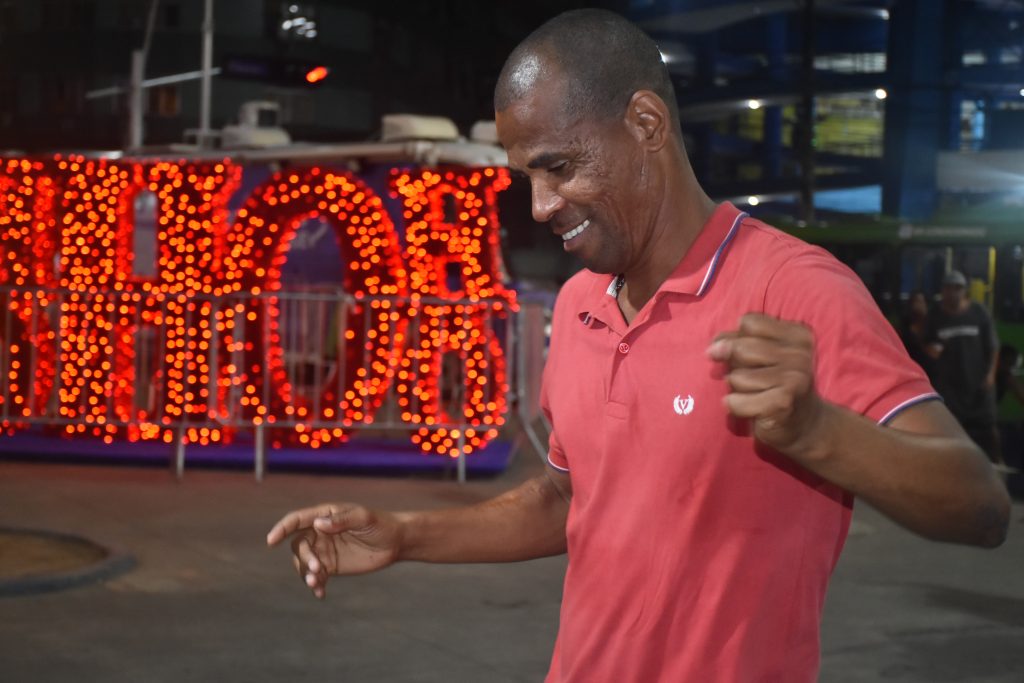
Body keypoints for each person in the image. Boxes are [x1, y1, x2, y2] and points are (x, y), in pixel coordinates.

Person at [267, 10, 1010, 682]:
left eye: (559, 167)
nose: (540, 205)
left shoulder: (796, 290)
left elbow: (980, 506)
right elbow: (570, 497)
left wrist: (820, 429)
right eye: (527, 177)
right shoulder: (579, 303)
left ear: (646, 123)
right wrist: (406, 535)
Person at [927, 270, 1004, 465]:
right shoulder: (935, 314)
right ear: (943, 290)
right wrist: (931, 350)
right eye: (949, 288)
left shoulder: (979, 312)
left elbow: (993, 347)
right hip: (950, 386)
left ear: (964, 291)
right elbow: (927, 343)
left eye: (958, 288)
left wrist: (991, 375)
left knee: (989, 429)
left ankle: (998, 466)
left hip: (978, 382)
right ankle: (957, 468)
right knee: (952, 429)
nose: (953, 292)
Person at [899, 290, 936, 377]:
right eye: (915, 302)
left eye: (920, 302)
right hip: (911, 371)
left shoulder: (933, 326)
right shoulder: (904, 329)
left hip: (932, 372)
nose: (917, 305)